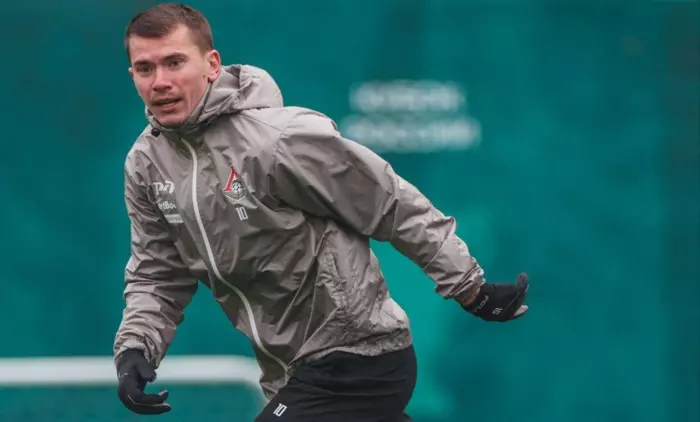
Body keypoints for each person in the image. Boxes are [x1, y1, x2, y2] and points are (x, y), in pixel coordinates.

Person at [113, 3, 530, 421]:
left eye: (174, 62)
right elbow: (158, 272)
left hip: (359, 356)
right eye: (145, 68)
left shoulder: (277, 140)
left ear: (211, 65)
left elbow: (390, 203)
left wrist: (470, 288)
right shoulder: (146, 164)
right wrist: (135, 349)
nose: (160, 81)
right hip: (287, 372)